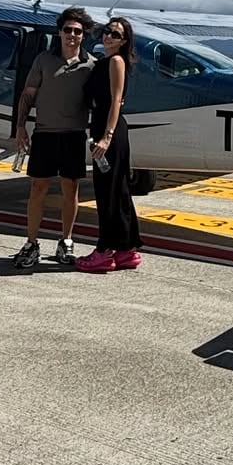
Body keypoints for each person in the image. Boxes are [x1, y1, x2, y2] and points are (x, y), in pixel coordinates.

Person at [11, 6, 96, 271]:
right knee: (38, 187)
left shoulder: (91, 65)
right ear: (59, 32)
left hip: (73, 135)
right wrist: (20, 127)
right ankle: (31, 242)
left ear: (84, 36)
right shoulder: (43, 60)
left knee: (71, 189)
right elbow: (28, 94)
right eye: (67, 30)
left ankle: (66, 240)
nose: (72, 35)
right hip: (45, 133)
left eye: (77, 31)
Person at [77, 16, 141, 273]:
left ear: (124, 41)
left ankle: (104, 251)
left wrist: (107, 136)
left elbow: (116, 101)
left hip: (110, 130)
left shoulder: (115, 61)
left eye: (115, 34)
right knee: (119, 190)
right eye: (106, 31)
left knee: (107, 192)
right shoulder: (105, 61)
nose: (108, 37)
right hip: (106, 128)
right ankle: (126, 249)